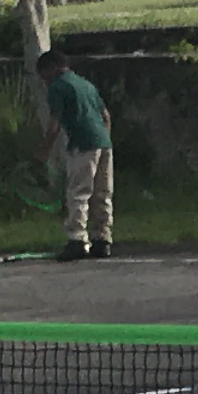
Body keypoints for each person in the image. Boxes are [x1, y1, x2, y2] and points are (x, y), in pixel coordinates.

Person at [44, 45, 114, 261]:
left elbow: (54, 125)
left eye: (44, 75)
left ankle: (77, 239)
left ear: (52, 68)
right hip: (104, 142)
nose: (44, 81)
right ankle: (102, 238)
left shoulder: (58, 87)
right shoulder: (86, 84)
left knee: (79, 192)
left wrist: (43, 151)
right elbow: (106, 116)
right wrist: (103, 139)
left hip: (82, 144)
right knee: (102, 193)